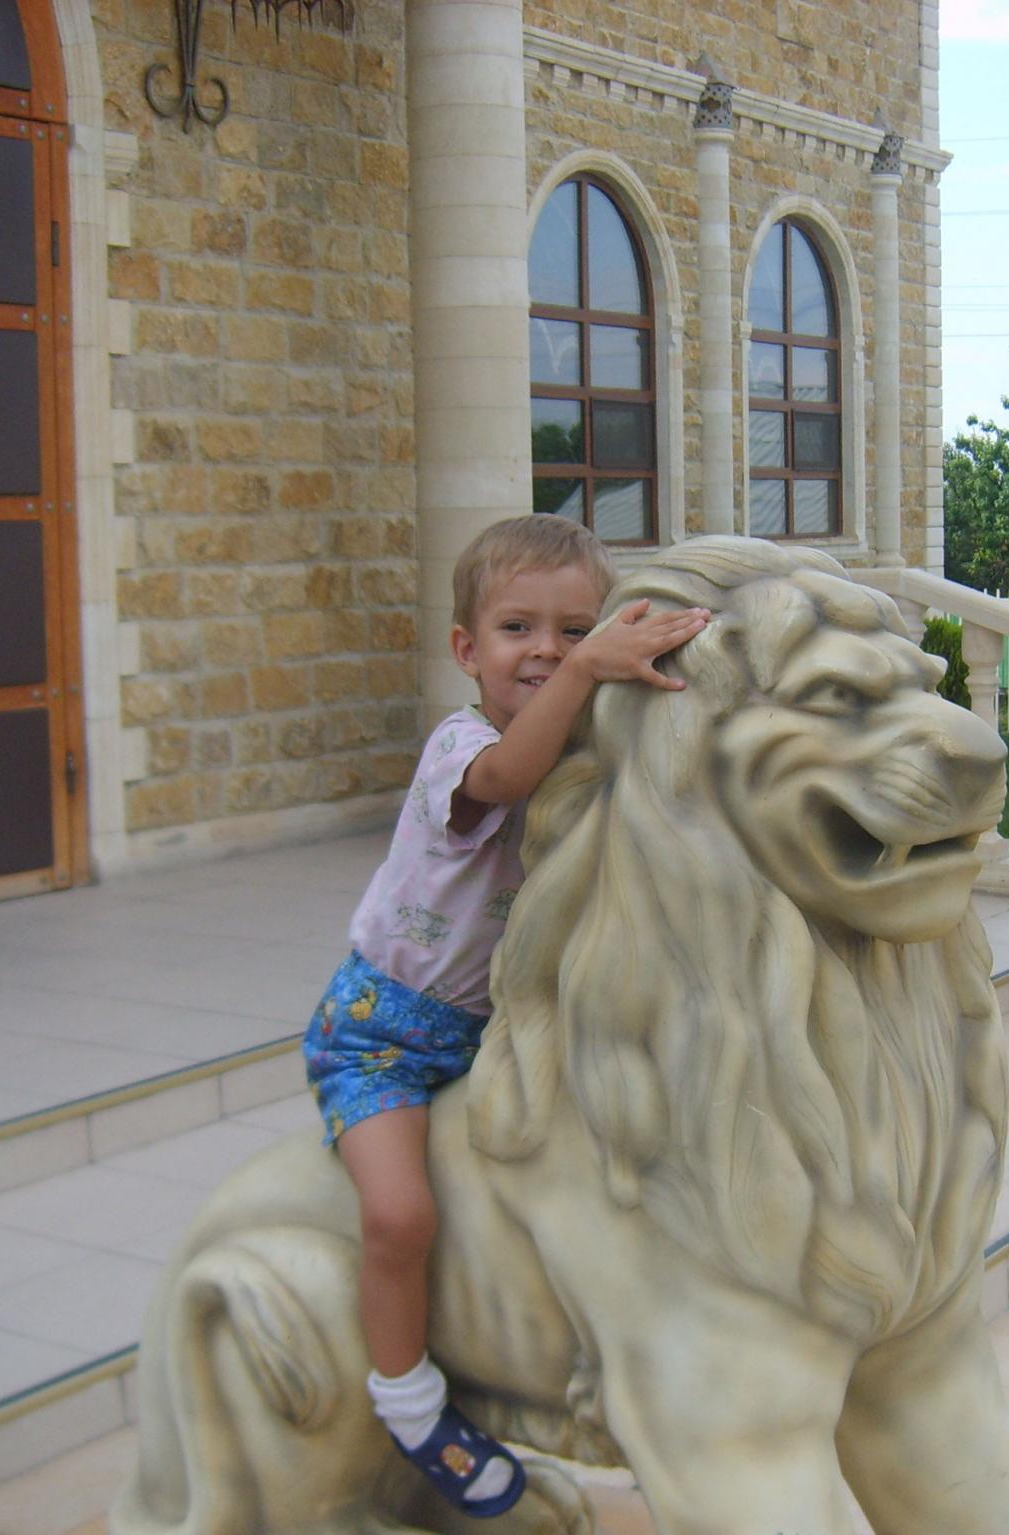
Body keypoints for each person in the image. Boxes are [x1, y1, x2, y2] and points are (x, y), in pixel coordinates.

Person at [302, 515, 708, 1518]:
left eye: (575, 629)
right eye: (518, 627)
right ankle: (408, 1403)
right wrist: (592, 668)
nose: (547, 650)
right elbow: (507, 778)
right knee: (400, 1216)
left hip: (499, 1030)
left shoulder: (579, 746)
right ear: (465, 647)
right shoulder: (463, 745)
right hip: (380, 1035)